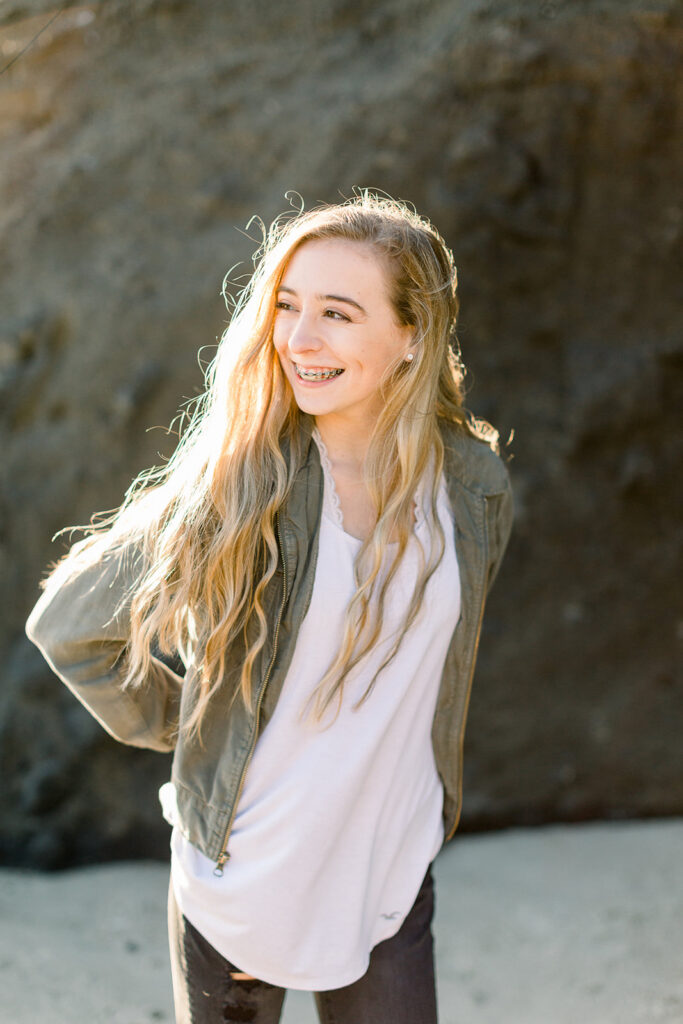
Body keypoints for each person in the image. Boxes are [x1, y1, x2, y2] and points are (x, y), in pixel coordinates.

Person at [25, 191, 514, 1024]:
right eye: (286, 307)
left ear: (411, 337)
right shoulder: (244, 483)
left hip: (385, 873)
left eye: (336, 312)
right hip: (244, 878)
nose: (299, 338)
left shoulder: (471, 487)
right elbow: (69, 626)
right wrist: (193, 729)